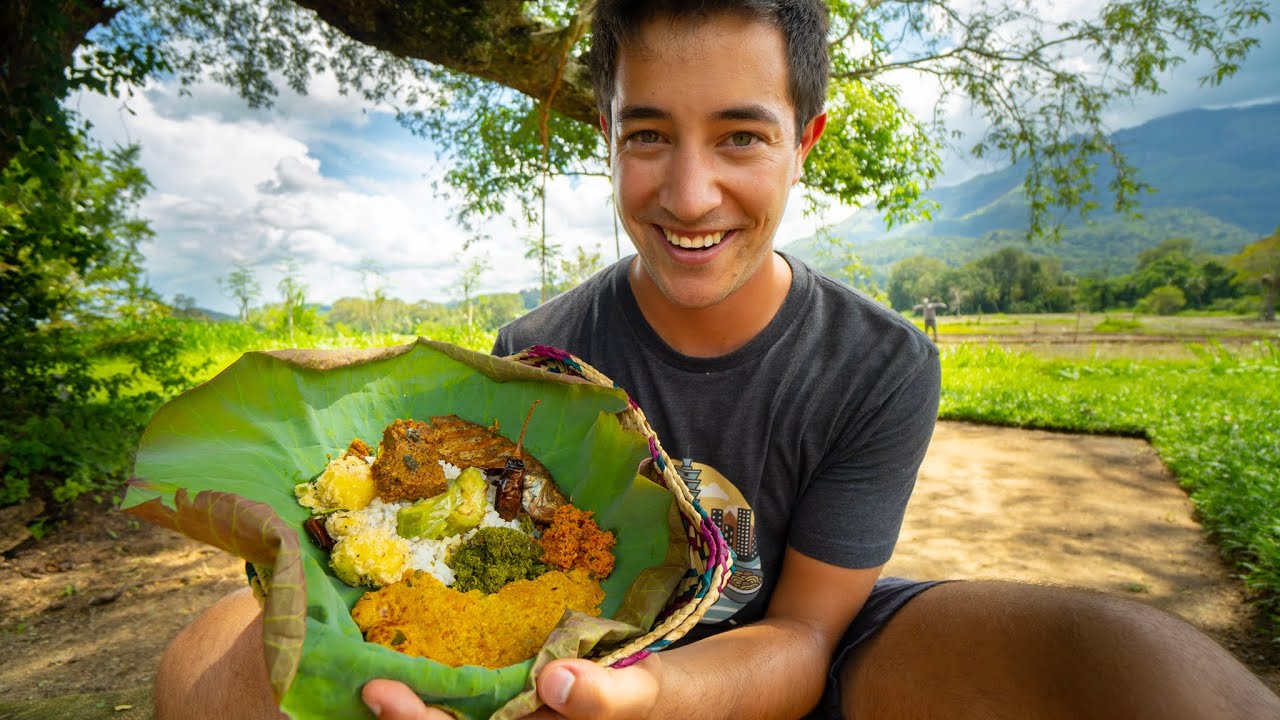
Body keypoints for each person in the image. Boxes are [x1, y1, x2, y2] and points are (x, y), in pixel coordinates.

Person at [155, 2, 1280, 719]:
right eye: (647, 135)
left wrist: (644, 699)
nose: (688, 196)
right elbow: (493, 588)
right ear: (607, 135)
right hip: (569, 662)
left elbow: (796, 636)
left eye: (739, 135)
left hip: (808, 654)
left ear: (806, 137)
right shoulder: (531, 359)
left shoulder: (881, 364)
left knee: (1134, 662)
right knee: (202, 667)